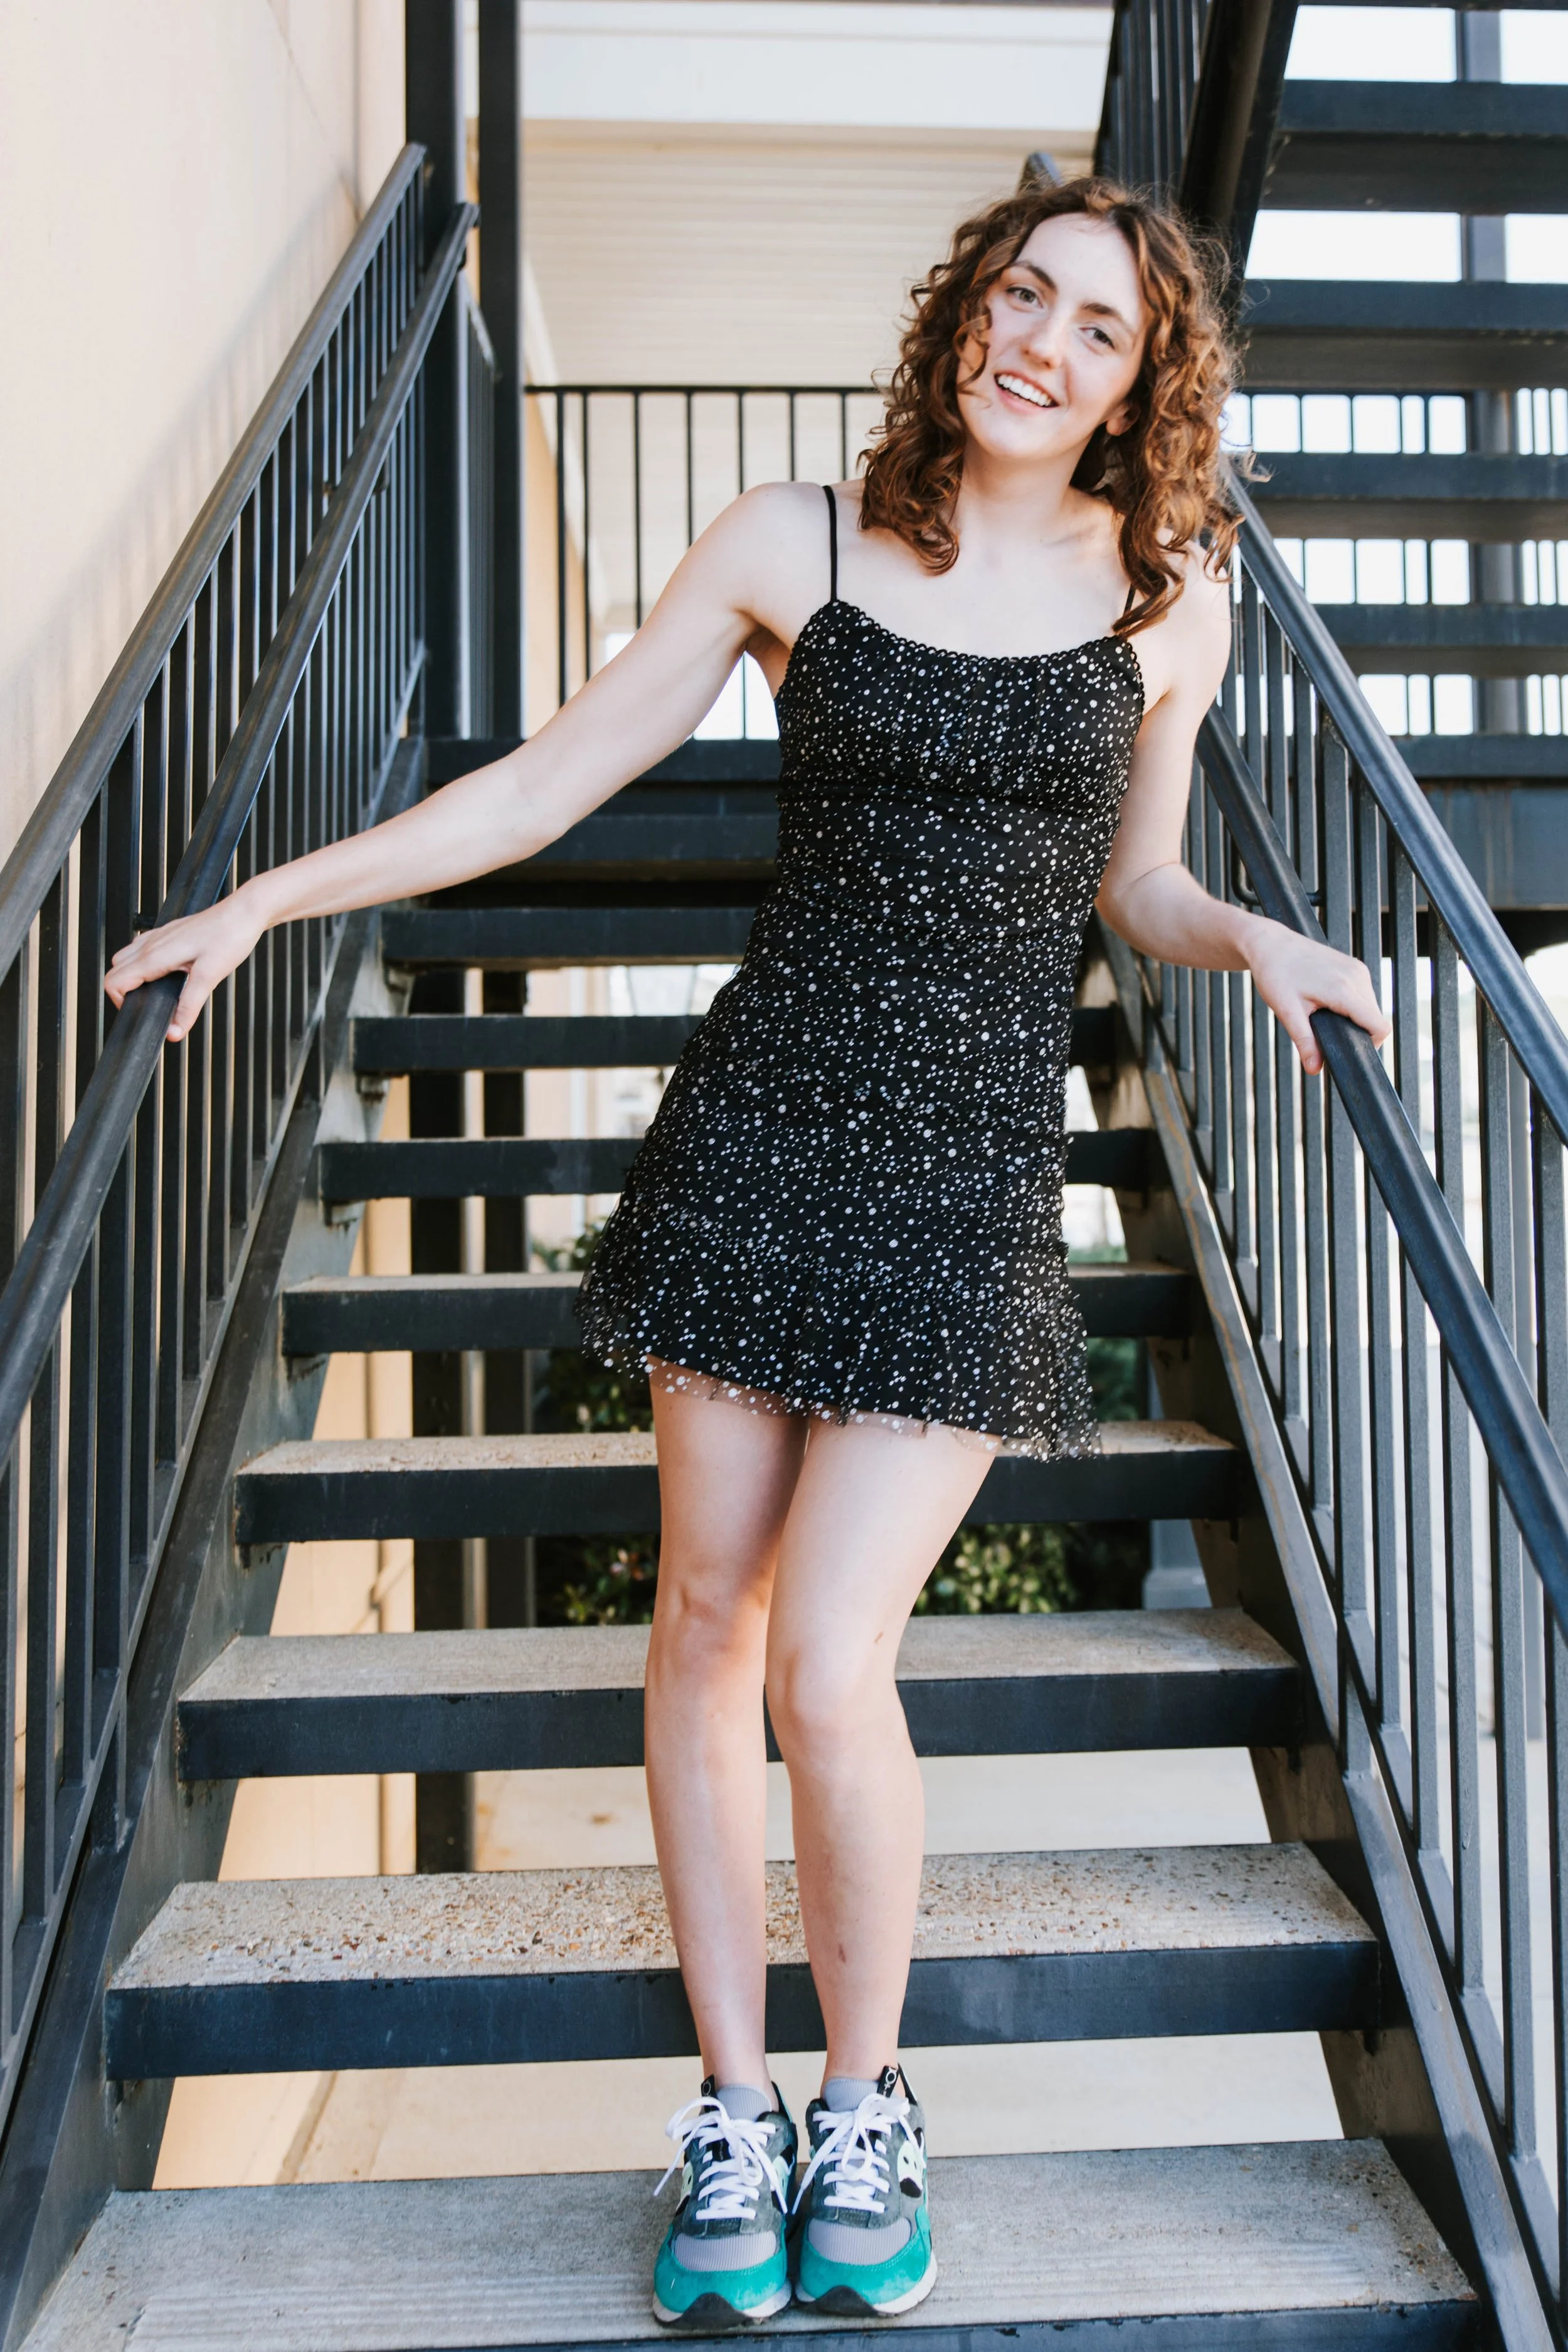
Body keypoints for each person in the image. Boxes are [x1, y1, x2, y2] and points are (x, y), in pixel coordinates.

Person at [107, 176, 1389, 2328]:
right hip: (759, 1138)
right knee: (707, 1620)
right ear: (963, 311)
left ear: (1136, 388)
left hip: (963, 1175)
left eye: (1095, 329)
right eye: (1019, 296)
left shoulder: (1175, 598)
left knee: (826, 1656)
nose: (1040, 343)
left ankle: (865, 2093)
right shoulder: (796, 538)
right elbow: (539, 782)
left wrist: (1251, 932)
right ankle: (730, 2104)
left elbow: (1140, 881)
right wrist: (273, 900)